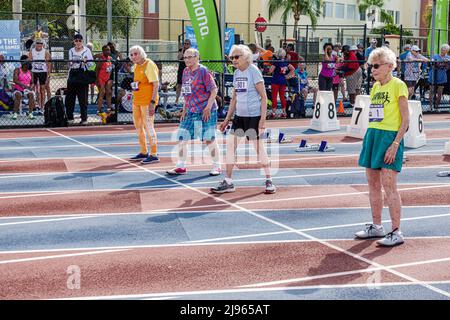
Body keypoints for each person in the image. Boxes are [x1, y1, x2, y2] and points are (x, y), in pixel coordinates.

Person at [356, 47, 409, 247]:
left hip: (389, 136)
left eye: (376, 66)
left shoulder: (398, 85)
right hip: (373, 134)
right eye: (371, 66)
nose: (372, 70)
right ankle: (377, 226)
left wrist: (395, 144)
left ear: (389, 66)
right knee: (372, 184)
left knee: (389, 186)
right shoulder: (376, 87)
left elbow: (406, 119)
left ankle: (396, 231)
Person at [211, 44, 276, 194]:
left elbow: (264, 97)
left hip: (253, 117)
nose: (233, 60)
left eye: (236, 57)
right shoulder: (236, 73)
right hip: (239, 117)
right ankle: (228, 181)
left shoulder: (254, 71)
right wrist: (227, 119)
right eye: (232, 57)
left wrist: (262, 121)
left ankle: (269, 179)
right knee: (230, 148)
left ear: (246, 57)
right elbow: (234, 98)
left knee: (259, 149)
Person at [166, 48, 221, 176]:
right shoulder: (185, 71)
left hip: (206, 110)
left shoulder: (203, 71)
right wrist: (184, 110)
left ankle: (217, 166)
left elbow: (214, 90)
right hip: (190, 110)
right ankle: (181, 166)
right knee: (181, 137)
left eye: (190, 57)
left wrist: (208, 107)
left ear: (197, 57)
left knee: (209, 139)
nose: (187, 60)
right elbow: (186, 93)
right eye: (185, 57)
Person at [128, 45, 160, 164]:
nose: (133, 56)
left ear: (141, 53)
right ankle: (143, 151)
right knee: (138, 126)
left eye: (136, 54)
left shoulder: (149, 64)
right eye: (131, 55)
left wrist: (152, 102)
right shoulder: (136, 66)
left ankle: (154, 153)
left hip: (147, 101)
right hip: (137, 100)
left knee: (148, 126)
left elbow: (156, 84)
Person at [65, 34, 94, 125]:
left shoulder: (87, 50)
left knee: (83, 98)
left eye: (79, 41)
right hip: (73, 75)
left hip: (82, 75)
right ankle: (70, 117)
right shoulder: (71, 50)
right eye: (76, 41)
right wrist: (71, 63)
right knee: (70, 98)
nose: (78, 42)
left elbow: (91, 64)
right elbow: (70, 63)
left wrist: (86, 62)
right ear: (74, 42)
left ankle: (84, 118)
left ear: (82, 41)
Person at [268, 48, 295, 119]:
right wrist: (287, 76)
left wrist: (269, 69)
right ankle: (284, 112)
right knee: (282, 96)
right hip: (283, 80)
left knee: (274, 97)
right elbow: (293, 69)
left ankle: (273, 112)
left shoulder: (276, 62)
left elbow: (270, 71)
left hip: (275, 80)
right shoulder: (286, 62)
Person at [28, 38, 51, 110]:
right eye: (37, 43)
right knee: (33, 89)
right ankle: (34, 105)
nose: (39, 45)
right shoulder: (32, 51)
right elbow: (29, 63)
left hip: (43, 72)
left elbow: (49, 65)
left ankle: (42, 106)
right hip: (34, 72)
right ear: (35, 44)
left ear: (43, 44)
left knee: (42, 89)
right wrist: (30, 74)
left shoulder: (46, 52)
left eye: (40, 43)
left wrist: (48, 75)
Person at [11, 55, 36, 120]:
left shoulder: (30, 72)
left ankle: (30, 113)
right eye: (27, 62)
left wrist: (31, 87)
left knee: (31, 94)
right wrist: (23, 85)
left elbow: (32, 82)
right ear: (23, 63)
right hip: (18, 89)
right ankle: (15, 113)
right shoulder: (17, 70)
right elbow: (15, 80)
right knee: (18, 95)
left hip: (27, 90)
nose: (29, 64)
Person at [428, 44, 450, 109]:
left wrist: (446, 63)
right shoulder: (435, 56)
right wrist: (438, 63)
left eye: (445, 50)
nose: (443, 51)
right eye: (442, 49)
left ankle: (436, 106)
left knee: (440, 93)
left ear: (447, 51)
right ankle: (430, 107)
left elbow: (447, 68)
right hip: (433, 76)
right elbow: (432, 64)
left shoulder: (448, 58)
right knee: (431, 91)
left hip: (442, 77)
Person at [95, 44, 114, 114]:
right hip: (101, 78)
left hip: (107, 78)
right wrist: (97, 80)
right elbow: (97, 69)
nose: (108, 51)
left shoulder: (110, 58)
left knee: (109, 93)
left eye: (109, 50)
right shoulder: (101, 59)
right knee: (102, 92)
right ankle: (99, 109)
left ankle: (109, 108)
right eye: (106, 50)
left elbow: (111, 68)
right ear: (103, 51)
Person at [175, 39, 191, 105]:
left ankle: (186, 100)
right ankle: (177, 99)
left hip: (188, 70)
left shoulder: (191, 51)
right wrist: (182, 49)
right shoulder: (181, 50)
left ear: (189, 45)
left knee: (186, 85)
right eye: (185, 43)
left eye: (187, 44)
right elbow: (179, 57)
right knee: (179, 85)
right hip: (181, 70)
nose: (186, 45)